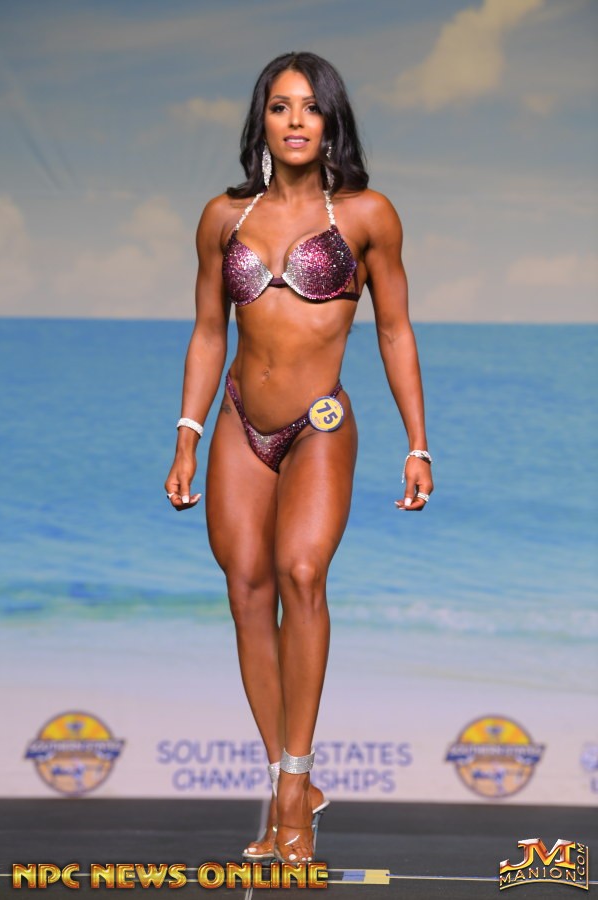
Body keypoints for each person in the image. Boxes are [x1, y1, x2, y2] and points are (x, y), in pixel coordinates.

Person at [164, 51, 433, 863]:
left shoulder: (368, 215)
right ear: (263, 120)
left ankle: (294, 785)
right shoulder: (223, 218)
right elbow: (209, 332)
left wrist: (418, 443)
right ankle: (287, 777)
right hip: (239, 422)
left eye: (310, 107)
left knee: (301, 573)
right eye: (280, 106)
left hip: (320, 422)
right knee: (246, 590)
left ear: (330, 122)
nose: (295, 121)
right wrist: (187, 433)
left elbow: (394, 332)